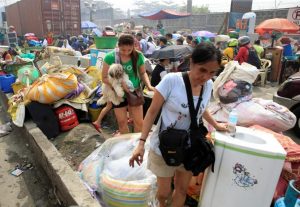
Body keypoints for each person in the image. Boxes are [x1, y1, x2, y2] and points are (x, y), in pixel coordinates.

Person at [129, 42, 228, 207]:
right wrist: (141, 142)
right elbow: (152, 112)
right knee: (163, 193)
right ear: (191, 63)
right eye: (202, 70)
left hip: (190, 147)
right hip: (165, 146)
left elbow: (200, 109)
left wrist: (216, 125)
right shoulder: (171, 81)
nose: (206, 77)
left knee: (182, 190)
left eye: (212, 72)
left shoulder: (208, 85)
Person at [102, 34, 154, 133]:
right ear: (118, 46)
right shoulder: (110, 57)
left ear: (133, 46)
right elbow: (104, 78)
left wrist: (149, 86)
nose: (126, 53)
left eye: (129, 50)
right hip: (118, 94)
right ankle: (127, 145)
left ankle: (138, 145)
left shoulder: (138, 55)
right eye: (123, 50)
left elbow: (143, 73)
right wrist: (120, 85)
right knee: (122, 123)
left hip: (134, 92)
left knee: (139, 123)